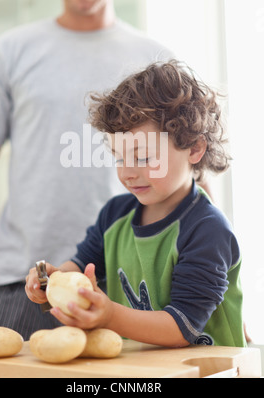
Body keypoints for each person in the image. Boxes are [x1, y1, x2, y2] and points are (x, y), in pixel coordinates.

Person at [0, 0, 174, 339]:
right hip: (25, 284)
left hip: (134, 287)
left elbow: (190, 180)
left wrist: (221, 291)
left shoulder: (157, 61)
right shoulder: (9, 52)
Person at [26, 60, 246, 347]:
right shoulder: (115, 215)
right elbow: (79, 267)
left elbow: (182, 328)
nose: (127, 172)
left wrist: (109, 315)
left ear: (194, 148)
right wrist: (51, 281)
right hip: (144, 372)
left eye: (143, 157)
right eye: (119, 157)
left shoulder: (207, 231)